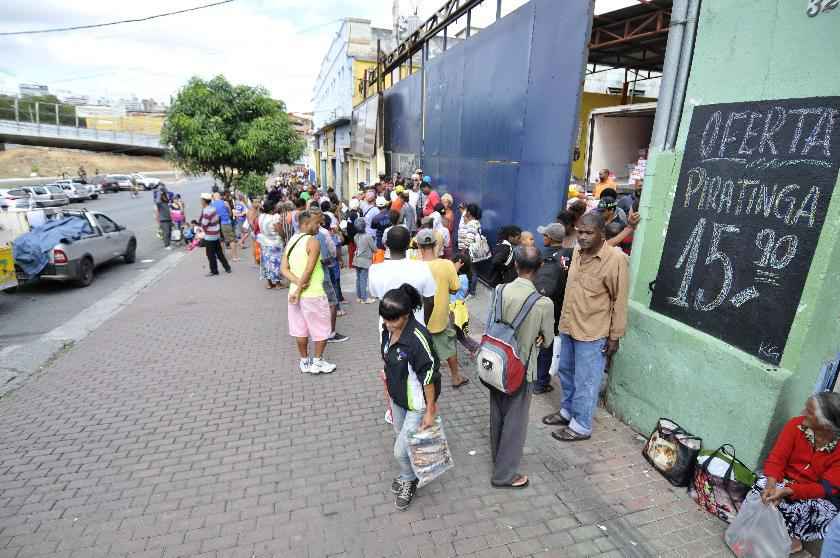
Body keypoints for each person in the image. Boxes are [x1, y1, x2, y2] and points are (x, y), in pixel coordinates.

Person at [543, 212, 628, 441]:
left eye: (589, 233)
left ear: (602, 234)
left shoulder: (615, 260)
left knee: (587, 380)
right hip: (569, 325)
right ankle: (567, 411)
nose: (582, 237)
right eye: (580, 232)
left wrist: (615, 336)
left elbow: (619, 300)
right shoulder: (578, 253)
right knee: (566, 372)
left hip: (593, 332)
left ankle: (581, 425)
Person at [487, 246, 555, 488]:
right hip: (522, 368)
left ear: (515, 265)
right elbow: (547, 339)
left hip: (496, 363)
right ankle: (505, 475)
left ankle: (498, 459)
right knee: (515, 421)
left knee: (497, 413)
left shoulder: (499, 290)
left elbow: (491, 324)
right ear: (539, 269)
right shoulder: (543, 303)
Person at [379, 284, 441, 510]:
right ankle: (412, 473)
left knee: (400, 449)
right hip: (397, 398)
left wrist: (430, 411)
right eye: (385, 319)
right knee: (401, 437)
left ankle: (408, 479)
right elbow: (388, 355)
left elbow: (429, 377)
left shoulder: (417, 339)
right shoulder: (388, 329)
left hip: (416, 403)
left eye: (392, 320)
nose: (387, 324)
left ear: (406, 315)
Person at [755, 393, 840, 552]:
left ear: (826, 425)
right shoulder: (795, 425)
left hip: (817, 495)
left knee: (800, 509)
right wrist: (771, 484)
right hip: (785, 481)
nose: (803, 413)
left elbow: (825, 488)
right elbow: (777, 458)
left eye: (809, 411)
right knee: (760, 488)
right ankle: (772, 532)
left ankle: (792, 539)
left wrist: (790, 491)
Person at [281, 210, 337, 375]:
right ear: (305, 224)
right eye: (316, 223)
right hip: (313, 293)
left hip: (294, 294)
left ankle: (304, 361)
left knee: (300, 329)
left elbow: (283, 269)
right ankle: (318, 362)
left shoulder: (292, 240)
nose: (318, 227)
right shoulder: (312, 241)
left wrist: (297, 285)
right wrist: (300, 287)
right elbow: (309, 269)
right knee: (321, 329)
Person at [417, 229, 469, 389]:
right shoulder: (447, 265)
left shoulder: (414, 266)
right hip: (440, 317)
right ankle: (455, 377)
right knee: (448, 347)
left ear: (419, 245)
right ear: (435, 245)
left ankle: (421, 381)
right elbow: (455, 289)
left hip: (419, 319)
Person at [369, 226, 437, 339]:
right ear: (408, 244)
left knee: (389, 355)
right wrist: (423, 322)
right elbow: (430, 300)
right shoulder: (422, 267)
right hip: (417, 329)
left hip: (388, 329)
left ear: (386, 244)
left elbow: (376, 295)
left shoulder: (374, 270)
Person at [532, 223, 572, 394]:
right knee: (547, 342)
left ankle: (538, 382)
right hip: (559, 307)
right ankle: (541, 381)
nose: (543, 238)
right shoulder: (569, 256)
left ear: (549, 238)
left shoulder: (542, 255)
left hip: (541, 306)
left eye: (544, 235)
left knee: (540, 343)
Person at [450, 251, 480, 355]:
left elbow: (451, 287)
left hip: (456, 310)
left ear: (459, 264)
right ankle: (475, 348)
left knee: (458, 335)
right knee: (460, 335)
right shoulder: (464, 277)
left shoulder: (461, 279)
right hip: (458, 309)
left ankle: (476, 348)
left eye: (453, 263)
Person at [457, 203, 487, 297]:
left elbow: (469, 239)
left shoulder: (471, 224)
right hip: (472, 250)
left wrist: (463, 251)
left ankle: (472, 292)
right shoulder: (476, 222)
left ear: (469, 212)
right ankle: (470, 289)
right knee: (471, 270)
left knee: (471, 270)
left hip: (469, 251)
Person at [199, 193, 232, 276]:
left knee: (210, 255)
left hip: (209, 236)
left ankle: (214, 271)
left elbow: (204, 224)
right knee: (219, 253)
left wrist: (203, 231)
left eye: (201, 200)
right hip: (216, 234)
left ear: (204, 201)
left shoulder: (206, 211)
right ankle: (227, 267)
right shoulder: (213, 208)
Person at [258, 201, 284, 289]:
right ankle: (278, 283)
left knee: (266, 262)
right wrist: (284, 237)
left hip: (264, 242)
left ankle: (269, 283)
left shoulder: (261, 216)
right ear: (273, 208)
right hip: (275, 242)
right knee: (276, 263)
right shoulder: (275, 217)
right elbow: (279, 230)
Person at [353, 217, 376, 304]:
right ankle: (364, 298)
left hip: (357, 259)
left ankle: (359, 296)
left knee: (358, 279)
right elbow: (374, 249)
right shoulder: (368, 237)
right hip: (365, 260)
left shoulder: (356, 236)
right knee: (363, 279)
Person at [212, 192, 238, 262]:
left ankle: (223, 256)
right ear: (220, 196)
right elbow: (229, 212)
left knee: (221, 240)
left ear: (213, 198)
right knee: (231, 239)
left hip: (217, 224)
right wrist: (228, 216)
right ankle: (234, 257)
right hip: (226, 222)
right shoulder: (225, 202)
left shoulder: (212, 204)